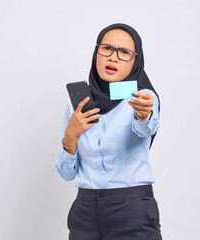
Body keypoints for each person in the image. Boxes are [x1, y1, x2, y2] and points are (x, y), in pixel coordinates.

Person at [55, 23, 162, 240]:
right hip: (84, 212)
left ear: (135, 60)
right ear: (97, 52)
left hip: (132, 211)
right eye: (107, 48)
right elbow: (66, 173)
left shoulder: (142, 98)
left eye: (124, 53)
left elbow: (146, 127)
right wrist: (70, 135)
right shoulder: (76, 105)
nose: (113, 57)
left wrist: (144, 115)